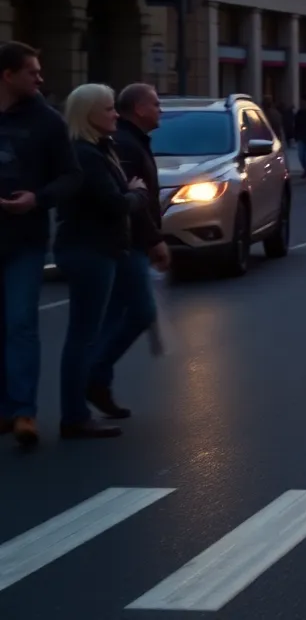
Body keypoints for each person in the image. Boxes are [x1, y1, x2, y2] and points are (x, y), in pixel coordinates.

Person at [54, 84, 148, 440]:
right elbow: (113, 204)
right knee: (82, 336)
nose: (115, 114)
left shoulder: (98, 148)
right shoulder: (86, 155)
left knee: (87, 332)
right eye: (109, 109)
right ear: (90, 114)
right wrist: (136, 194)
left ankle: (80, 408)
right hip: (90, 250)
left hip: (97, 248)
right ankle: (75, 416)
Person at [0, 42, 81, 447]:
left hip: (24, 240)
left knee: (21, 324)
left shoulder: (47, 121)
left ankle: (23, 411)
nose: (40, 79)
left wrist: (37, 199)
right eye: (32, 72)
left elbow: (70, 176)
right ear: (7, 75)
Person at [87, 83, 168, 420]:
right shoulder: (125, 143)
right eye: (156, 103)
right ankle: (92, 374)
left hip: (128, 241)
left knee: (115, 314)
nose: (160, 108)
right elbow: (134, 200)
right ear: (139, 109)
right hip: (127, 243)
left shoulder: (133, 140)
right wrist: (154, 241)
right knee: (141, 312)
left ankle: (97, 381)